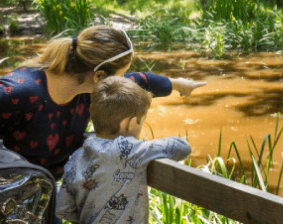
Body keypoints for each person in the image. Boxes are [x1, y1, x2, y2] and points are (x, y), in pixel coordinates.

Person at [0, 25, 203, 178]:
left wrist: (180, 84)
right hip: (4, 195)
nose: (123, 81)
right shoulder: (22, 91)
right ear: (98, 75)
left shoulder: (92, 89)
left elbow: (142, 80)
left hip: (41, 194)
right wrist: (7, 164)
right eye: (118, 76)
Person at [55, 76, 191, 224]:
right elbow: (181, 147)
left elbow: (64, 209)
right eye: (141, 122)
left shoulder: (77, 156)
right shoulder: (130, 150)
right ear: (130, 123)